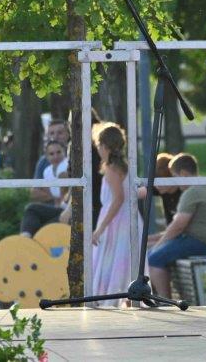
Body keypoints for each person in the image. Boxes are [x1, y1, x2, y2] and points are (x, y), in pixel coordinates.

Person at [145, 153, 206, 299]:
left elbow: (178, 226)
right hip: (203, 241)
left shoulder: (191, 192)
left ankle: (165, 301)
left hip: (196, 242)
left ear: (184, 174)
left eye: (174, 176)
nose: (176, 182)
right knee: (151, 253)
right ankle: (158, 297)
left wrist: (158, 244)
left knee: (153, 258)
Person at [90, 122, 142, 307]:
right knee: (123, 262)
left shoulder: (111, 169)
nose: (98, 150)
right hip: (126, 218)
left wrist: (100, 228)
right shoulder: (123, 167)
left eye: (99, 145)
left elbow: (118, 198)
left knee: (111, 261)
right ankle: (126, 299)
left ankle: (108, 299)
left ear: (105, 146)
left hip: (117, 221)